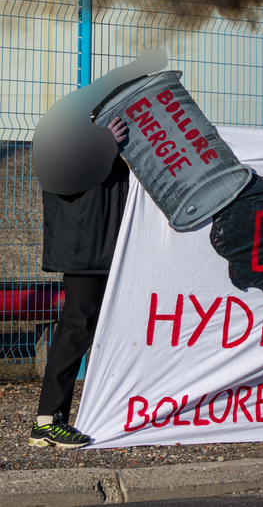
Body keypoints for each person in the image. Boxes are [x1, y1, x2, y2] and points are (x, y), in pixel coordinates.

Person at [29, 116, 129, 449]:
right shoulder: (74, 138)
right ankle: (47, 420)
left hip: (109, 247)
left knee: (90, 326)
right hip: (85, 250)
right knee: (77, 324)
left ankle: (69, 416)